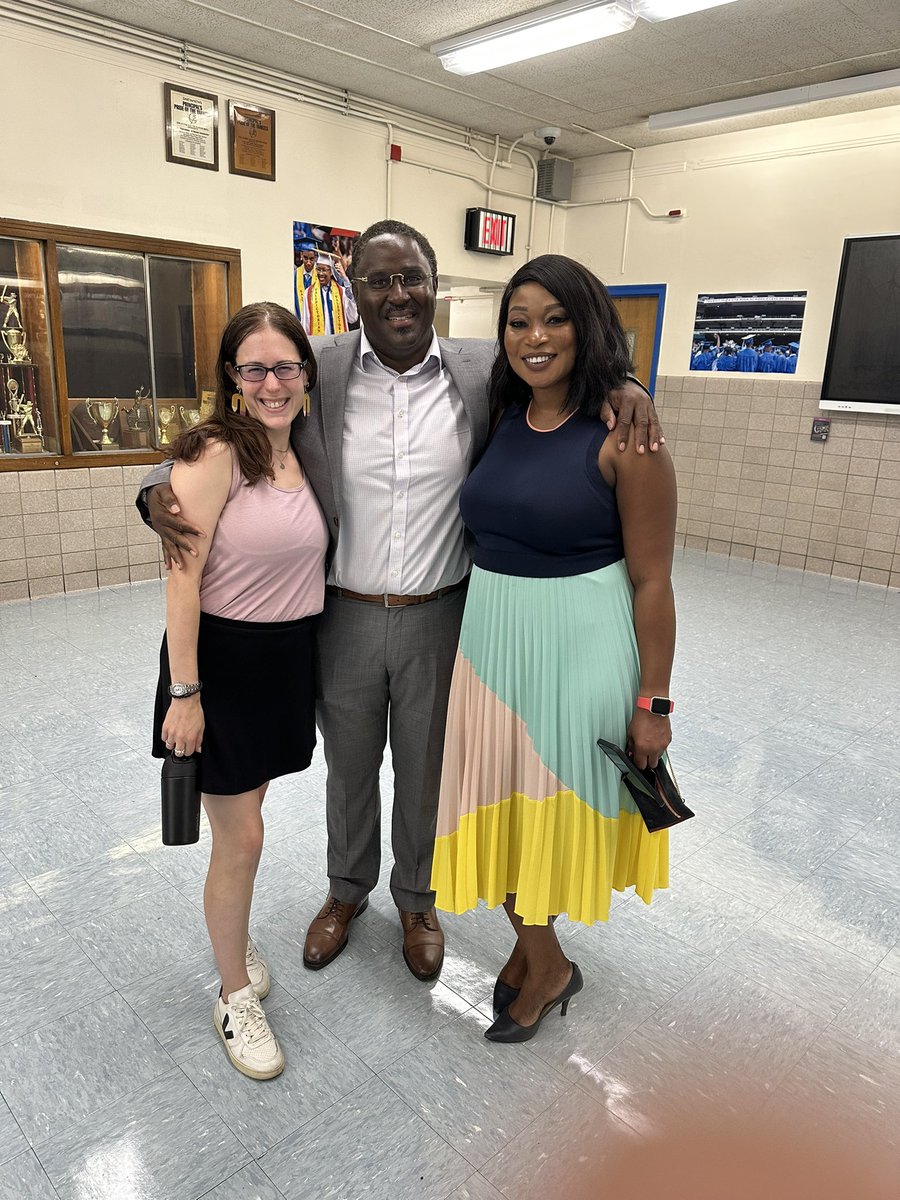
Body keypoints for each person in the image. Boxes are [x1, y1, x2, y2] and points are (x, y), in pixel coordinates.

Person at [138, 219, 663, 987]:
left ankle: (418, 901)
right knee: (349, 769)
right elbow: (237, 405)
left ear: (436, 284)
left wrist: (630, 386)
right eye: (378, 281)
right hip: (342, 612)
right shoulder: (316, 366)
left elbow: (575, 370)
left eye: (411, 277)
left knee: (426, 770)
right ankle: (346, 893)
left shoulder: (487, 369)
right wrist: (152, 484)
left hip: (445, 612)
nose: (397, 294)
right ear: (354, 293)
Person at [431, 254, 677, 1043]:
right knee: (496, 810)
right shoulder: (502, 412)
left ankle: (547, 966)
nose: (535, 337)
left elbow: (654, 584)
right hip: (491, 647)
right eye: (518, 320)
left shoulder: (626, 437)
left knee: (538, 817)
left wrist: (654, 706)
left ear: (588, 325)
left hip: (577, 652)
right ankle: (536, 953)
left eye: (556, 318)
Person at [151, 301, 327, 1079]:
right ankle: (232, 995)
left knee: (247, 821)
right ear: (231, 378)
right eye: (253, 368)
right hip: (217, 665)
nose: (271, 382)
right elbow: (180, 582)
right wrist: (184, 693)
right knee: (243, 839)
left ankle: (236, 931)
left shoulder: (303, 451)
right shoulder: (217, 451)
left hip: (284, 663)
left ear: (306, 372)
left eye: (285, 365)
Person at [301, 254, 358, 335]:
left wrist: (344, 277)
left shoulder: (341, 292)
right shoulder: (308, 293)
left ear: (331, 272)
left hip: (337, 344)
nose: (320, 273)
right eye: (318, 269)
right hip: (318, 344)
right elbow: (305, 323)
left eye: (324, 270)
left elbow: (353, 318)